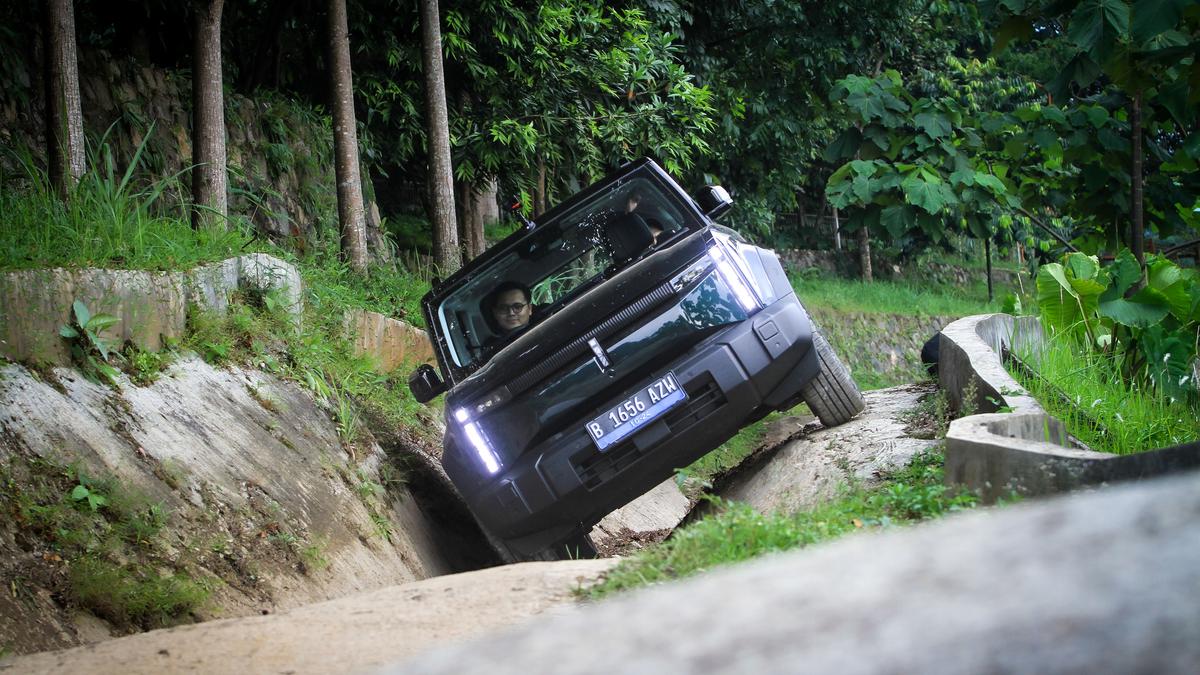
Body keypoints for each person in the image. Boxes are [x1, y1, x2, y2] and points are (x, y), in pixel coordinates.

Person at [484, 280, 533, 348]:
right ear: (495, 313)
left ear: (530, 309)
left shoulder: (546, 326)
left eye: (517, 306)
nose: (511, 313)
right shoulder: (491, 348)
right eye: (503, 308)